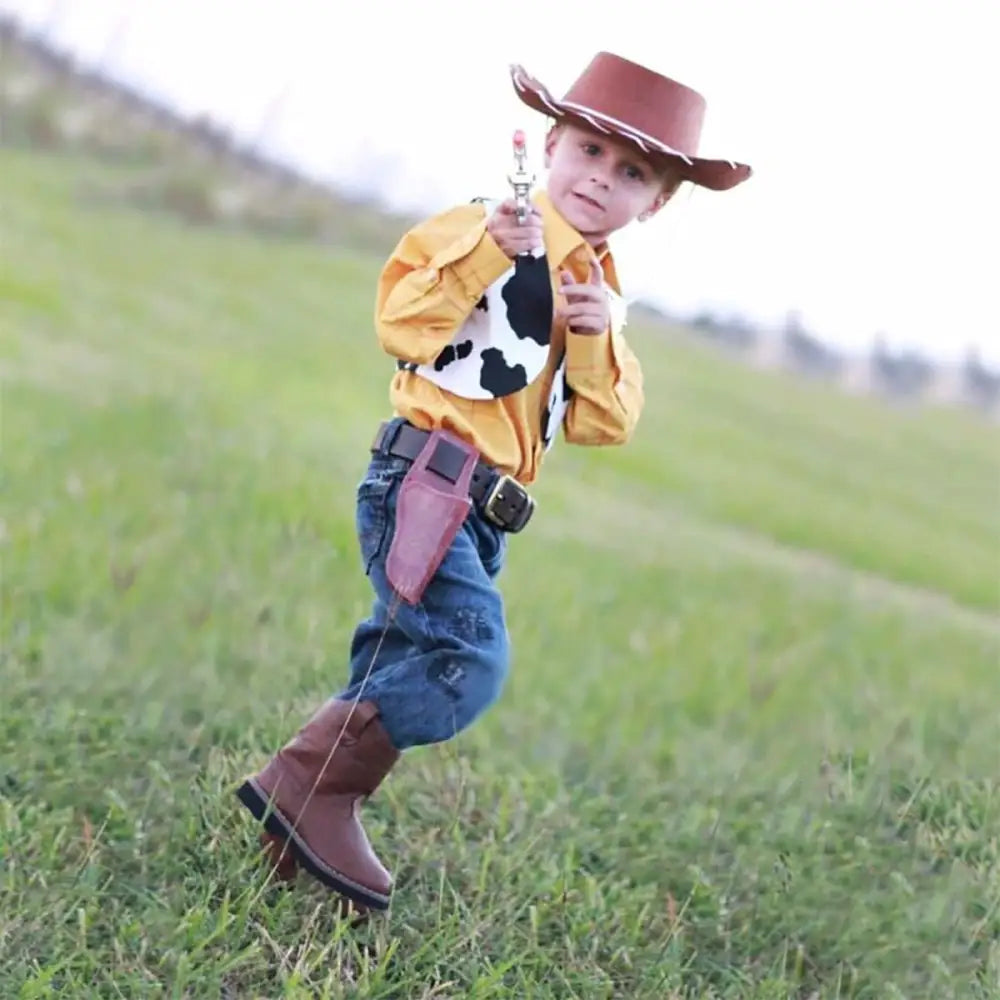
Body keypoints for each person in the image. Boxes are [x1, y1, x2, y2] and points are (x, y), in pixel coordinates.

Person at [235, 51, 752, 914]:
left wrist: (591, 335)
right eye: (589, 151)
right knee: (467, 656)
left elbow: (605, 420)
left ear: (655, 203)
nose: (601, 178)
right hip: (423, 481)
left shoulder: (596, 290)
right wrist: (485, 256)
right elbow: (401, 324)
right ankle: (307, 783)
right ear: (551, 145)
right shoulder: (480, 224)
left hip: (481, 514)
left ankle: (290, 837)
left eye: (633, 172)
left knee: (397, 658)